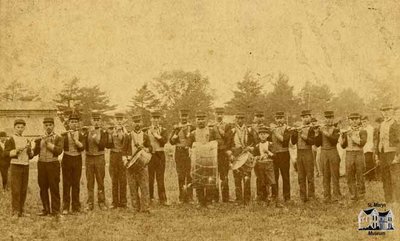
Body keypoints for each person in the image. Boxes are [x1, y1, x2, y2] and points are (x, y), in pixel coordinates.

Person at [33, 117, 64, 217]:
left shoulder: (58, 137)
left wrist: (48, 143)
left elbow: (59, 151)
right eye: (46, 125)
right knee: (43, 187)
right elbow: (35, 152)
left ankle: (55, 211)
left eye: (50, 125)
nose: (48, 127)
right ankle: (45, 209)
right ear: (43, 126)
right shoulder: (39, 138)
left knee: (54, 187)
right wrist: (31, 148)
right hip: (41, 164)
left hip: (53, 164)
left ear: (54, 126)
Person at [187, 111, 219, 208]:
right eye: (199, 119)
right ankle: (200, 201)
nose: (201, 121)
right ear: (196, 121)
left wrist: (211, 145)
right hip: (198, 161)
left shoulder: (211, 131)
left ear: (206, 120)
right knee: (198, 179)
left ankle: (209, 201)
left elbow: (219, 141)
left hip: (209, 161)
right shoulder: (193, 133)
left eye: (202, 119)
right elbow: (188, 145)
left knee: (210, 180)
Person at [4, 119, 34, 217]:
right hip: (15, 165)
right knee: (16, 189)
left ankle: (21, 210)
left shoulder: (26, 139)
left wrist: (31, 150)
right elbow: (5, 153)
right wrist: (15, 151)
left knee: (23, 189)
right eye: (18, 127)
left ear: (24, 128)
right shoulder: (10, 139)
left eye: (22, 127)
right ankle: (15, 212)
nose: (20, 129)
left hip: (25, 166)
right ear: (14, 128)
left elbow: (30, 155)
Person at [122, 114, 151, 213]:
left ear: (141, 123)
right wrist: (125, 160)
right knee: (133, 187)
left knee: (144, 187)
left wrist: (145, 149)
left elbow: (150, 148)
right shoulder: (128, 136)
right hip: (131, 165)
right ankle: (135, 207)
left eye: (138, 122)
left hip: (142, 165)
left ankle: (145, 208)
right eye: (135, 122)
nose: (137, 124)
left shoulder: (146, 136)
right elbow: (124, 150)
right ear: (132, 123)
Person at [227, 112, 255, 205]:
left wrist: (251, 148)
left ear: (244, 119)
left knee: (247, 177)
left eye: (242, 118)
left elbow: (254, 143)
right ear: (235, 119)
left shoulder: (249, 130)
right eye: (238, 118)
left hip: (246, 155)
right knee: (237, 178)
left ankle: (247, 199)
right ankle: (238, 199)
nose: (240, 120)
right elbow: (228, 144)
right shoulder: (232, 130)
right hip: (236, 156)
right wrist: (230, 153)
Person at [314, 111, 341, 203]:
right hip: (323, 153)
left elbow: (334, 141)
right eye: (327, 118)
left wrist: (324, 132)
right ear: (324, 119)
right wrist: (317, 133)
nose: (329, 120)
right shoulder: (321, 129)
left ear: (333, 118)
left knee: (335, 175)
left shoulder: (336, 129)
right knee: (325, 175)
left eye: (330, 118)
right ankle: (326, 196)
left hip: (333, 151)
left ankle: (336, 196)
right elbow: (317, 144)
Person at [375, 104, 400, 203]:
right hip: (383, 154)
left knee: (395, 178)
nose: (385, 112)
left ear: (392, 111)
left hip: (393, 154)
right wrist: (377, 154)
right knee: (385, 177)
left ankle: (398, 200)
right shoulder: (381, 124)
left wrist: (397, 155)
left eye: (388, 110)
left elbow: (399, 141)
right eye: (383, 110)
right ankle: (388, 200)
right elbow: (378, 140)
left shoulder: (396, 124)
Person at [61, 112, 85, 214]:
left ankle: (76, 207)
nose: (74, 124)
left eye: (76, 122)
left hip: (77, 159)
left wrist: (76, 140)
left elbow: (83, 147)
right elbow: (59, 147)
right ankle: (66, 207)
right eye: (72, 122)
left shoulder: (81, 134)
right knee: (66, 183)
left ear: (78, 124)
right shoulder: (64, 135)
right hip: (66, 159)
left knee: (76, 183)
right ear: (68, 123)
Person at [340, 113, 367, 201]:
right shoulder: (346, 131)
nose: (354, 121)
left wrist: (352, 136)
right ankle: (353, 195)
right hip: (349, 154)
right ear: (349, 121)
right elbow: (343, 146)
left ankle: (361, 195)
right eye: (352, 119)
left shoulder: (363, 130)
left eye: (356, 119)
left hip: (359, 153)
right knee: (349, 174)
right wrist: (342, 137)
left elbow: (362, 143)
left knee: (360, 174)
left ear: (359, 120)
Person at [84, 112, 109, 211]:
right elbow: (83, 145)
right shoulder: (86, 132)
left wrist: (94, 136)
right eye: (94, 120)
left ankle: (101, 202)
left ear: (101, 121)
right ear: (91, 121)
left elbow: (103, 145)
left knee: (100, 181)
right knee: (90, 182)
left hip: (99, 158)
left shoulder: (104, 132)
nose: (96, 122)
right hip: (89, 158)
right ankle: (90, 203)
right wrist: (86, 133)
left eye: (98, 120)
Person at [169, 109, 195, 203]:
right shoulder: (176, 128)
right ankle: (181, 197)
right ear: (179, 116)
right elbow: (171, 142)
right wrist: (174, 136)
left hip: (189, 152)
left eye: (185, 116)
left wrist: (190, 146)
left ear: (188, 116)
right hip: (179, 152)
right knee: (180, 174)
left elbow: (195, 140)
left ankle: (190, 196)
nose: (184, 118)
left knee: (189, 174)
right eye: (182, 116)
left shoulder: (192, 127)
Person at [290, 110, 316, 203]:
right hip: (299, 153)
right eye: (304, 117)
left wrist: (303, 135)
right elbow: (293, 142)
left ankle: (311, 196)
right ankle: (303, 197)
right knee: (301, 176)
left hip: (308, 152)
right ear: (301, 118)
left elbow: (312, 142)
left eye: (307, 116)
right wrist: (294, 133)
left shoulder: (312, 128)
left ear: (310, 117)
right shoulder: (298, 128)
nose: (306, 118)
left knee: (310, 175)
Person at [146, 111, 169, 206]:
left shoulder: (163, 130)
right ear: (151, 119)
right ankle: (150, 198)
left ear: (160, 119)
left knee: (160, 178)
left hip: (160, 155)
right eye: (153, 118)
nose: (155, 120)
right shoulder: (146, 130)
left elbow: (164, 142)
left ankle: (162, 199)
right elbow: (145, 142)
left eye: (157, 118)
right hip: (150, 155)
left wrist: (156, 135)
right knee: (150, 178)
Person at [106, 112, 128, 209]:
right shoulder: (111, 130)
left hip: (122, 155)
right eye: (117, 119)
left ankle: (123, 202)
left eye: (120, 119)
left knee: (123, 179)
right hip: (113, 155)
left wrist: (121, 134)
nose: (119, 121)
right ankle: (114, 202)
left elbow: (126, 143)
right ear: (114, 120)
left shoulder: (126, 130)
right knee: (114, 178)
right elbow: (108, 145)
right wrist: (111, 135)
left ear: (123, 120)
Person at [269, 111, 291, 206]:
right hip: (274, 155)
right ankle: (274, 195)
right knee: (274, 177)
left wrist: (274, 131)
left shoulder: (287, 128)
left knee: (285, 176)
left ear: (284, 118)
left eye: (281, 118)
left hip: (284, 154)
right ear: (275, 119)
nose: (279, 120)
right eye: (277, 118)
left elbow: (284, 141)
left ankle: (287, 197)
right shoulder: (272, 128)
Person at [253, 125, 276, 205]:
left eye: (264, 134)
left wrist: (268, 152)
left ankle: (272, 197)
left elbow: (275, 155)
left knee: (271, 180)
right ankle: (263, 197)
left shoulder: (270, 144)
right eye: (261, 134)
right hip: (260, 165)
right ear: (258, 136)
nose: (263, 135)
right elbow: (254, 156)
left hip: (269, 164)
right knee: (261, 181)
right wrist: (258, 157)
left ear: (268, 135)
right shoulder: (256, 146)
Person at [212, 107, 232, 202]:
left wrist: (222, 133)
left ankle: (225, 198)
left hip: (223, 153)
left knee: (224, 175)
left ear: (223, 115)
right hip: (213, 153)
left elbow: (229, 140)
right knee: (214, 175)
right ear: (214, 114)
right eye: (217, 113)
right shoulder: (210, 125)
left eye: (221, 113)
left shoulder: (227, 126)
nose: (219, 115)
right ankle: (215, 198)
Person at [250, 111, 267, 202]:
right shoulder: (252, 129)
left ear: (263, 118)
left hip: (265, 153)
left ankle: (266, 194)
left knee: (265, 175)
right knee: (258, 175)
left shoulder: (267, 128)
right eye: (257, 116)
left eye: (261, 116)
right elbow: (250, 141)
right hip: (256, 153)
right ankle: (259, 195)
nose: (259, 118)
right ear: (254, 117)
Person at [361, 116, 376, 181]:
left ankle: (371, 176)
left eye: (365, 122)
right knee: (365, 162)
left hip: (369, 147)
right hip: (363, 147)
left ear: (368, 121)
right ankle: (367, 175)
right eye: (362, 122)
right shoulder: (362, 129)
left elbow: (373, 139)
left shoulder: (371, 129)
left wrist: (373, 146)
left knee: (369, 162)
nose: (364, 123)